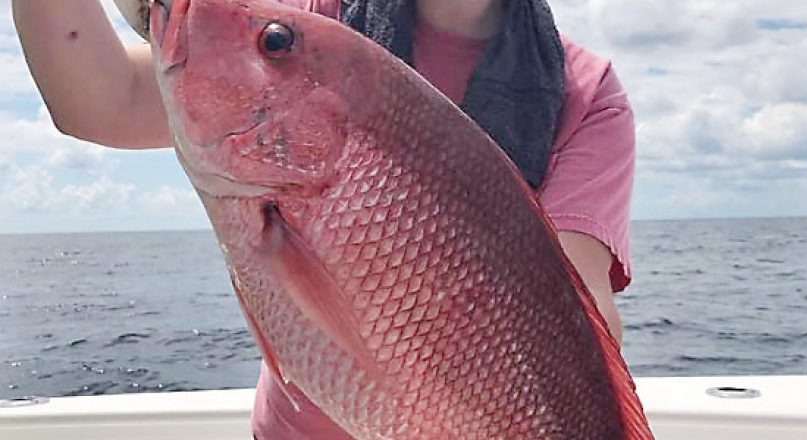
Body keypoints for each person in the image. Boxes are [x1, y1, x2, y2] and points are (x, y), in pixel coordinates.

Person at [13, 0, 635, 437]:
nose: (272, 40)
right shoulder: (316, 22)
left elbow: (575, 311)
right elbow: (99, 100)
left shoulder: (586, 93)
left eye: (271, 44)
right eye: (274, 44)